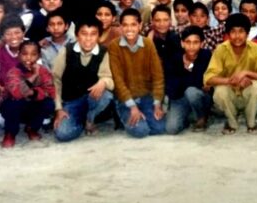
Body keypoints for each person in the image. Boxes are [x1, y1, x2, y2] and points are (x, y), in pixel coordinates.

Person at [203, 13, 257, 134]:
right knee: (220, 91)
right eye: (233, 32)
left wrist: (247, 74)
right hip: (230, 94)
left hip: (248, 94)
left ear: (247, 33)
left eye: (241, 31)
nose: (237, 36)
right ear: (228, 34)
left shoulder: (255, 49)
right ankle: (232, 122)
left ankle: (251, 122)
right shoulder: (221, 49)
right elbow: (208, 78)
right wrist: (231, 80)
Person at [52, 16, 115, 141]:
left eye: (93, 34)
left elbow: (110, 80)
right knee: (63, 134)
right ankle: (80, 120)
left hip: (92, 98)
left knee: (106, 95)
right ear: (77, 36)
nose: (88, 38)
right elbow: (55, 81)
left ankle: (90, 119)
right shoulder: (67, 51)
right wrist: (58, 108)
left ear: (99, 37)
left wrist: (103, 81)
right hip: (70, 102)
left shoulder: (103, 52)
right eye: (84, 34)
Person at [108, 8, 166, 138]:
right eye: (125, 25)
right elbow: (118, 80)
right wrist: (133, 107)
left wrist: (157, 104)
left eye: (133, 24)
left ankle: (141, 116)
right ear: (120, 27)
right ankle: (123, 115)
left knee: (160, 128)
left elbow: (158, 76)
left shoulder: (148, 44)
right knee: (141, 131)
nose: (129, 29)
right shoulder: (114, 46)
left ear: (140, 26)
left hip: (145, 97)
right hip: (125, 99)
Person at [0, 40, 55, 147]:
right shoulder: (14, 71)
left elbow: (50, 91)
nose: (29, 58)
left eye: (33, 54)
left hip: (32, 107)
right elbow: (17, 93)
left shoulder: (43, 71)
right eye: (24, 54)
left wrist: (33, 92)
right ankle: (10, 133)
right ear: (19, 55)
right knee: (14, 102)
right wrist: (34, 75)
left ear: (39, 56)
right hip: (12, 109)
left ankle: (31, 128)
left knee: (48, 103)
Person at [164, 26, 213, 134]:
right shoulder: (174, 58)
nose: (191, 46)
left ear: (202, 44)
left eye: (195, 42)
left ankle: (202, 117)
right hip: (179, 98)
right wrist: (193, 78)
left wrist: (184, 79)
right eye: (188, 42)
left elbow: (202, 81)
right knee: (171, 129)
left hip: (199, 96)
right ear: (182, 43)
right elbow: (171, 88)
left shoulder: (206, 56)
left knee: (191, 91)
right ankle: (186, 117)